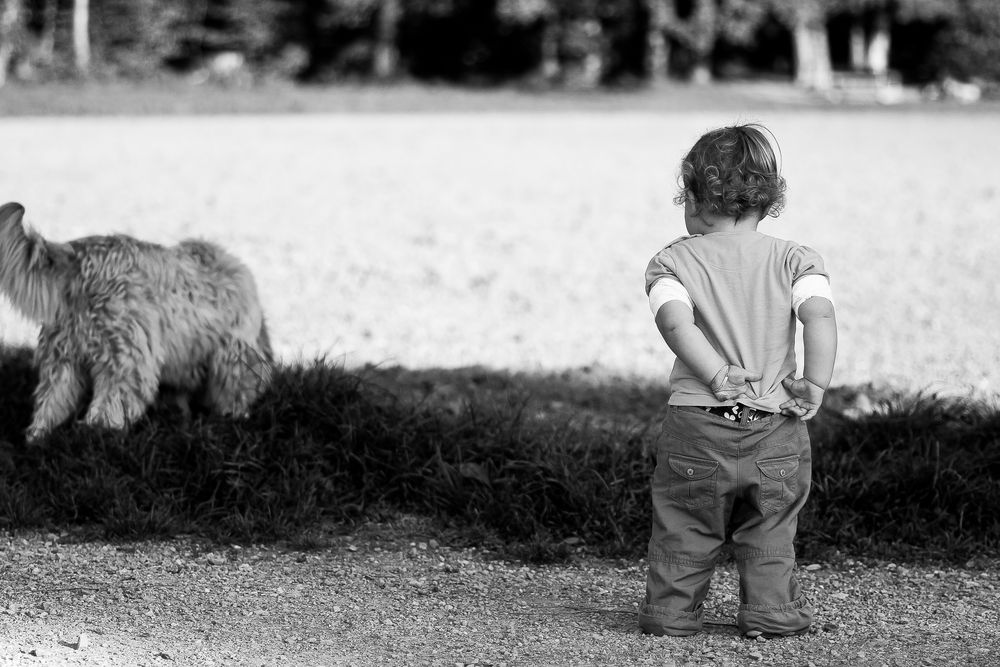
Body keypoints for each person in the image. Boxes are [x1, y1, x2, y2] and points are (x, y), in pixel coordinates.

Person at [638, 123, 837, 639]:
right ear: (766, 201)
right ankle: (770, 613)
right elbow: (818, 316)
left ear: (698, 200)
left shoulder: (672, 261)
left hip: (697, 424)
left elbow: (673, 322)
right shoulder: (796, 259)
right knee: (771, 523)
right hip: (774, 422)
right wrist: (814, 382)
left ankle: (671, 614)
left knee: (685, 521)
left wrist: (716, 373)